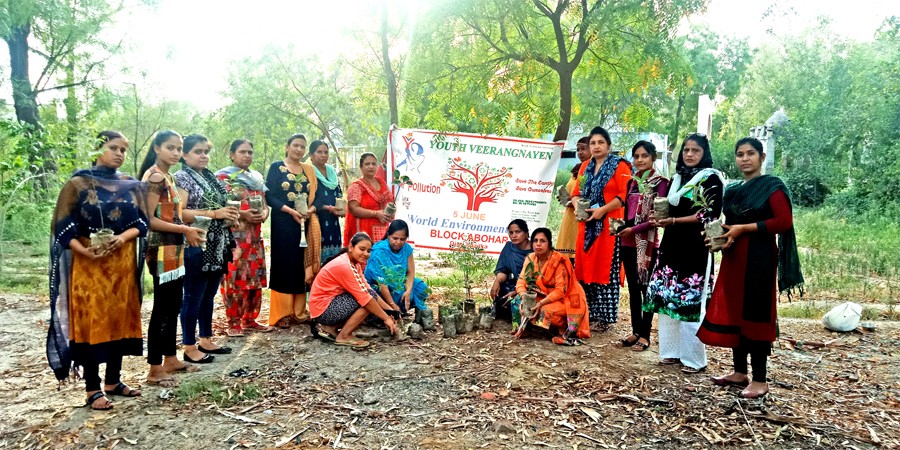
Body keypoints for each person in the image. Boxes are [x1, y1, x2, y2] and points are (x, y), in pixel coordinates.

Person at [47, 131, 147, 410]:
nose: (119, 154)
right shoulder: (77, 184)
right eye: (113, 148)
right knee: (93, 321)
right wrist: (83, 250)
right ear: (97, 149)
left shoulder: (131, 185)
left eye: (124, 150)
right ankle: (92, 387)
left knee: (119, 317)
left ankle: (113, 381)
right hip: (89, 266)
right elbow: (61, 226)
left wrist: (123, 238)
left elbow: (142, 223)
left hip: (122, 262)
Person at [698, 137, 803, 398]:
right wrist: (721, 235)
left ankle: (760, 379)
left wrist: (744, 228)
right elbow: (731, 224)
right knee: (735, 311)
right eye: (740, 154)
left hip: (759, 257)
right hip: (734, 257)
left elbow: (783, 222)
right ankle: (739, 372)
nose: (745, 158)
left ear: (762, 157)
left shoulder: (772, 186)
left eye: (750, 154)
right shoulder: (732, 190)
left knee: (755, 314)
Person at [644, 133, 724, 374]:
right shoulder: (678, 178)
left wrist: (673, 220)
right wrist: (659, 218)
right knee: (668, 300)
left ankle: (693, 359)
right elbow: (669, 207)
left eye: (695, 151)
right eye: (686, 150)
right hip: (671, 246)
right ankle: (670, 353)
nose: (689, 154)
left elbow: (709, 214)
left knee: (690, 303)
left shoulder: (711, 179)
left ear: (704, 154)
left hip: (695, 248)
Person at [138, 130, 205, 386]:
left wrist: (184, 231)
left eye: (178, 148)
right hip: (161, 251)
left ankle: (171, 359)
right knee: (163, 309)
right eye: (171, 148)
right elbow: (149, 220)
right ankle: (154, 368)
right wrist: (185, 229)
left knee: (174, 304)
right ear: (157, 148)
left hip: (174, 250)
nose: (176, 153)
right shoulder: (155, 176)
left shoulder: (167, 176)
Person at [174, 134, 240, 363]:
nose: (204, 156)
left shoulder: (211, 176)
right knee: (193, 295)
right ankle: (189, 346)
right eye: (198, 152)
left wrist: (230, 217)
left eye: (206, 151)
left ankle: (205, 339)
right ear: (184, 154)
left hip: (218, 243)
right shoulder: (181, 177)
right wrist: (215, 214)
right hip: (196, 242)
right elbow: (180, 213)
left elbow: (223, 206)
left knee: (209, 295)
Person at [570, 126, 632, 331]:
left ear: (609, 145)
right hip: (587, 225)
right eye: (593, 143)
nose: (596, 147)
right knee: (586, 267)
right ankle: (589, 313)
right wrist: (580, 205)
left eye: (600, 142)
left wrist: (602, 210)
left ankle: (605, 317)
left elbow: (624, 196)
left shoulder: (620, 165)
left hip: (610, 225)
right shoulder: (585, 166)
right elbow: (576, 192)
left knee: (606, 268)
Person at [265, 133, 321, 329]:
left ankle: (299, 312)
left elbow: (318, 195)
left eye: (302, 147)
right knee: (283, 263)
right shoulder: (276, 167)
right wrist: (290, 211)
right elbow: (269, 196)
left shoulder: (308, 170)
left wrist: (309, 211)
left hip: (304, 222)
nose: (299, 149)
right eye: (295, 145)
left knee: (300, 263)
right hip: (283, 222)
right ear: (287, 147)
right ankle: (282, 314)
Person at [617, 141, 669, 352]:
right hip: (627, 241)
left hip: (647, 244)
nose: (640, 160)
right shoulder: (632, 182)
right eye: (636, 156)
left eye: (644, 156)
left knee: (646, 289)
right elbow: (628, 213)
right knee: (633, 289)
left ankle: (646, 335)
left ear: (653, 158)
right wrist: (622, 227)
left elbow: (658, 218)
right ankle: (635, 330)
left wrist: (635, 229)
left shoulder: (660, 182)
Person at [216, 139, 269, 337]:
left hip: (255, 237)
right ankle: (234, 322)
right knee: (234, 278)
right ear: (232, 154)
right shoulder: (223, 177)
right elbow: (220, 207)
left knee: (254, 279)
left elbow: (264, 204)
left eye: (250, 152)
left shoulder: (256, 178)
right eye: (242, 152)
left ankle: (250, 319)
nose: (247, 155)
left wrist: (264, 213)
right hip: (235, 237)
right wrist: (244, 214)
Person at [309, 232, 399, 349]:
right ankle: (344, 336)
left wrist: (390, 311)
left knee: (370, 297)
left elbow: (367, 287)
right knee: (368, 300)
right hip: (323, 310)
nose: (366, 253)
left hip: (322, 309)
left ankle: (330, 328)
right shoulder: (344, 265)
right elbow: (366, 297)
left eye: (369, 251)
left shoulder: (353, 263)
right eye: (362, 249)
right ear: (351, 247)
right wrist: (386, 318)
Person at [514, 228, 591, 344]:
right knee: (516, 301)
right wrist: (524, 297)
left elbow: (561, 291)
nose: (538, 244)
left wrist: (539, 303)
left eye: (542, 241)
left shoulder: (559, 260)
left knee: (544, 310)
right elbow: (521, 282)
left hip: (569, 299)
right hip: (544, 296)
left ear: (549, 243)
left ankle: (562, 328)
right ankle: (533, 329)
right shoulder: (531, 258)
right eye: (535, 240)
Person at [364, 220, 430, 315]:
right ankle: (388, 313)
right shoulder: (379, 251)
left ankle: (399, 311)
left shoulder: (406, 249)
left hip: (398, 282)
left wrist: (408, 291)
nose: (398, 242)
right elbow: (382, 284)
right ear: (388, 235)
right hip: (379, 288)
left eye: (402, 239)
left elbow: (410, 272)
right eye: (395, 238)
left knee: (422, 289)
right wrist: (392, 305)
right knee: (399, 296)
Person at [344, 152, 394, 245]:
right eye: (367, 164)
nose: (371, 166)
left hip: (382, 231)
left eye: (373, 164)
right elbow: (353, 209)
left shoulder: (381, 182)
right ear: (361, 167)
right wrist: (375, 214)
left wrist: (390, 213)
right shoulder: (357, 186)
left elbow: (390, 202)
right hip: (362, 233)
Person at [309, 140, 345, 265]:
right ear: (311, 155)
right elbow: (309, 199)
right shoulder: (308, 172)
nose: (323, 155)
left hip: (333, 221)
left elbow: (338, 192)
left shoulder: (331, 172)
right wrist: (328, 208)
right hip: (317, 219)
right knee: (318, 255)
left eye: (326, 152)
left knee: (334, 258)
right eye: (319, 152)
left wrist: (341, 208)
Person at [489, 219, 532, 322]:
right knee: (502, 290)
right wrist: (497, 282)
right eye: (511, 232)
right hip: (517, 282)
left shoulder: (535, 250)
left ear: (526, 233)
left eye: (518, 232)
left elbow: (536, 279)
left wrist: (518, 291)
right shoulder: (509, 248)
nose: (514, 235)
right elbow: (504, 270)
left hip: (533, 286)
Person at [556, 136, 590, 262]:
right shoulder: (577, 168)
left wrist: (574, 203)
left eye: (583, 149)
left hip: (583, 218)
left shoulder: (594, 171)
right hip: (570, 217)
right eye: (578, 149)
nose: (580, 152)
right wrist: (564, 198)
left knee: (579, 259)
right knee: (566, 263)